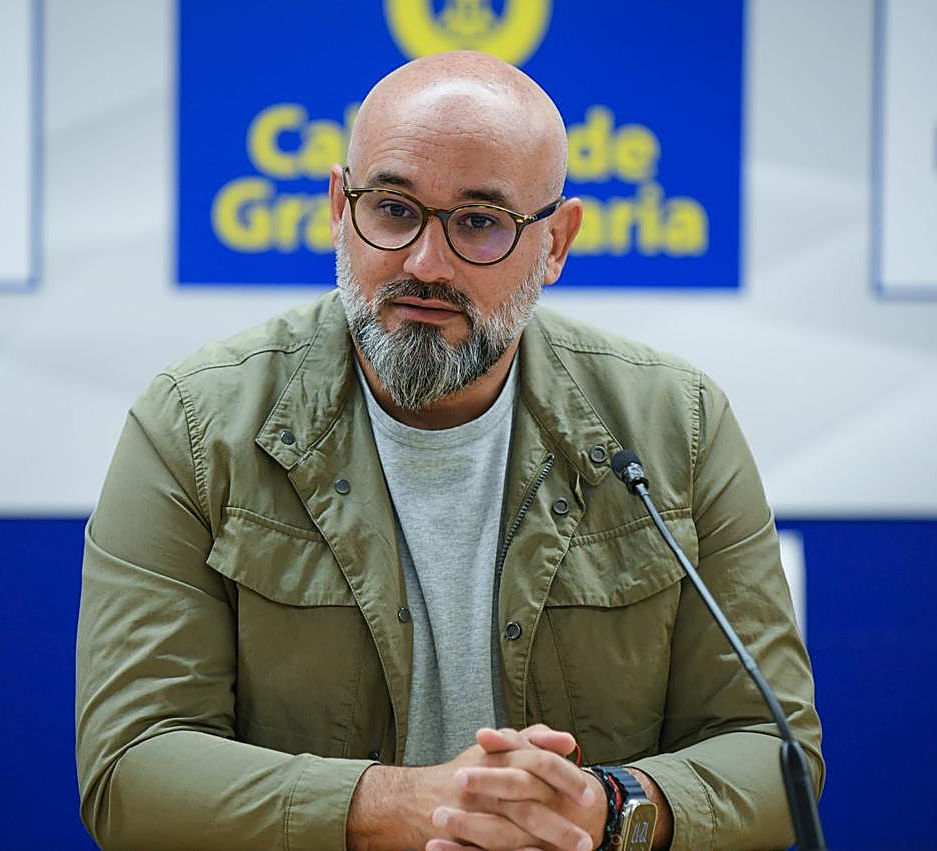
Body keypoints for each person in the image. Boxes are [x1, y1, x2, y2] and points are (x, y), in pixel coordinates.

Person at [75, 51, 823, 851]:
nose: (426, 265)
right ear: (339, 206)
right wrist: (408, 804)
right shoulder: (193, 426)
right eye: (393, 209)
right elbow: (132, 770)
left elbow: (775, 752)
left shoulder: (679, 424)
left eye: (479, 223)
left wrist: (607, 809)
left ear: (557, 242)